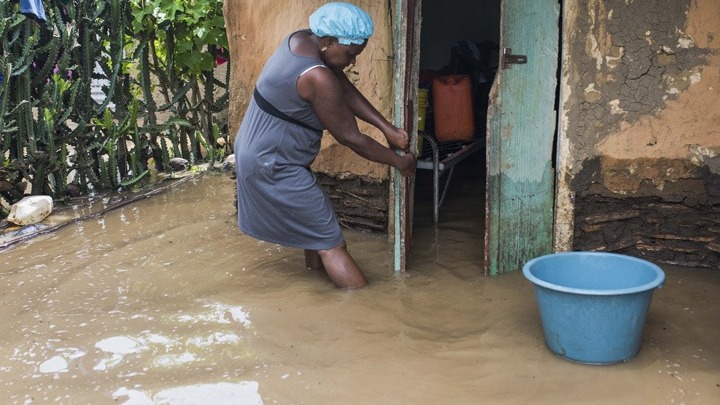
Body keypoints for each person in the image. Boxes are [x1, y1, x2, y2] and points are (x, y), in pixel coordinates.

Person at [233, 2, 416, 289]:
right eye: (351, 55)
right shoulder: (316, 77)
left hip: (258, 150)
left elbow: (340, 83)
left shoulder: (303, 40)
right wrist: (400, 162)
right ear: (330, 42)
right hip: (274, 164)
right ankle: (364, 309)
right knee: (332, 242)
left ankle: (316, 281)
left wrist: (387, 129)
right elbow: (351, 138)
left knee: (316, 229)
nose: (353, 62)